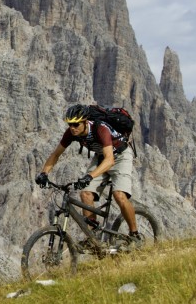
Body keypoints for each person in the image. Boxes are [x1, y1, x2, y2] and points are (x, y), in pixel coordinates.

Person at [35, 104, 141, 247]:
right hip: (101, 157)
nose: (73, 127)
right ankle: (93, 238)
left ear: (85, 122)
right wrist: (44, 173)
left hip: (120, 156)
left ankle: (135, 235)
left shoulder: (100, 128)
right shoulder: (70, 133)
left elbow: (110, 160)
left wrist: (89, 176)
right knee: (85, 194)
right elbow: (55, 154)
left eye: (76, 124)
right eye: (70, 124)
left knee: (119, 195)